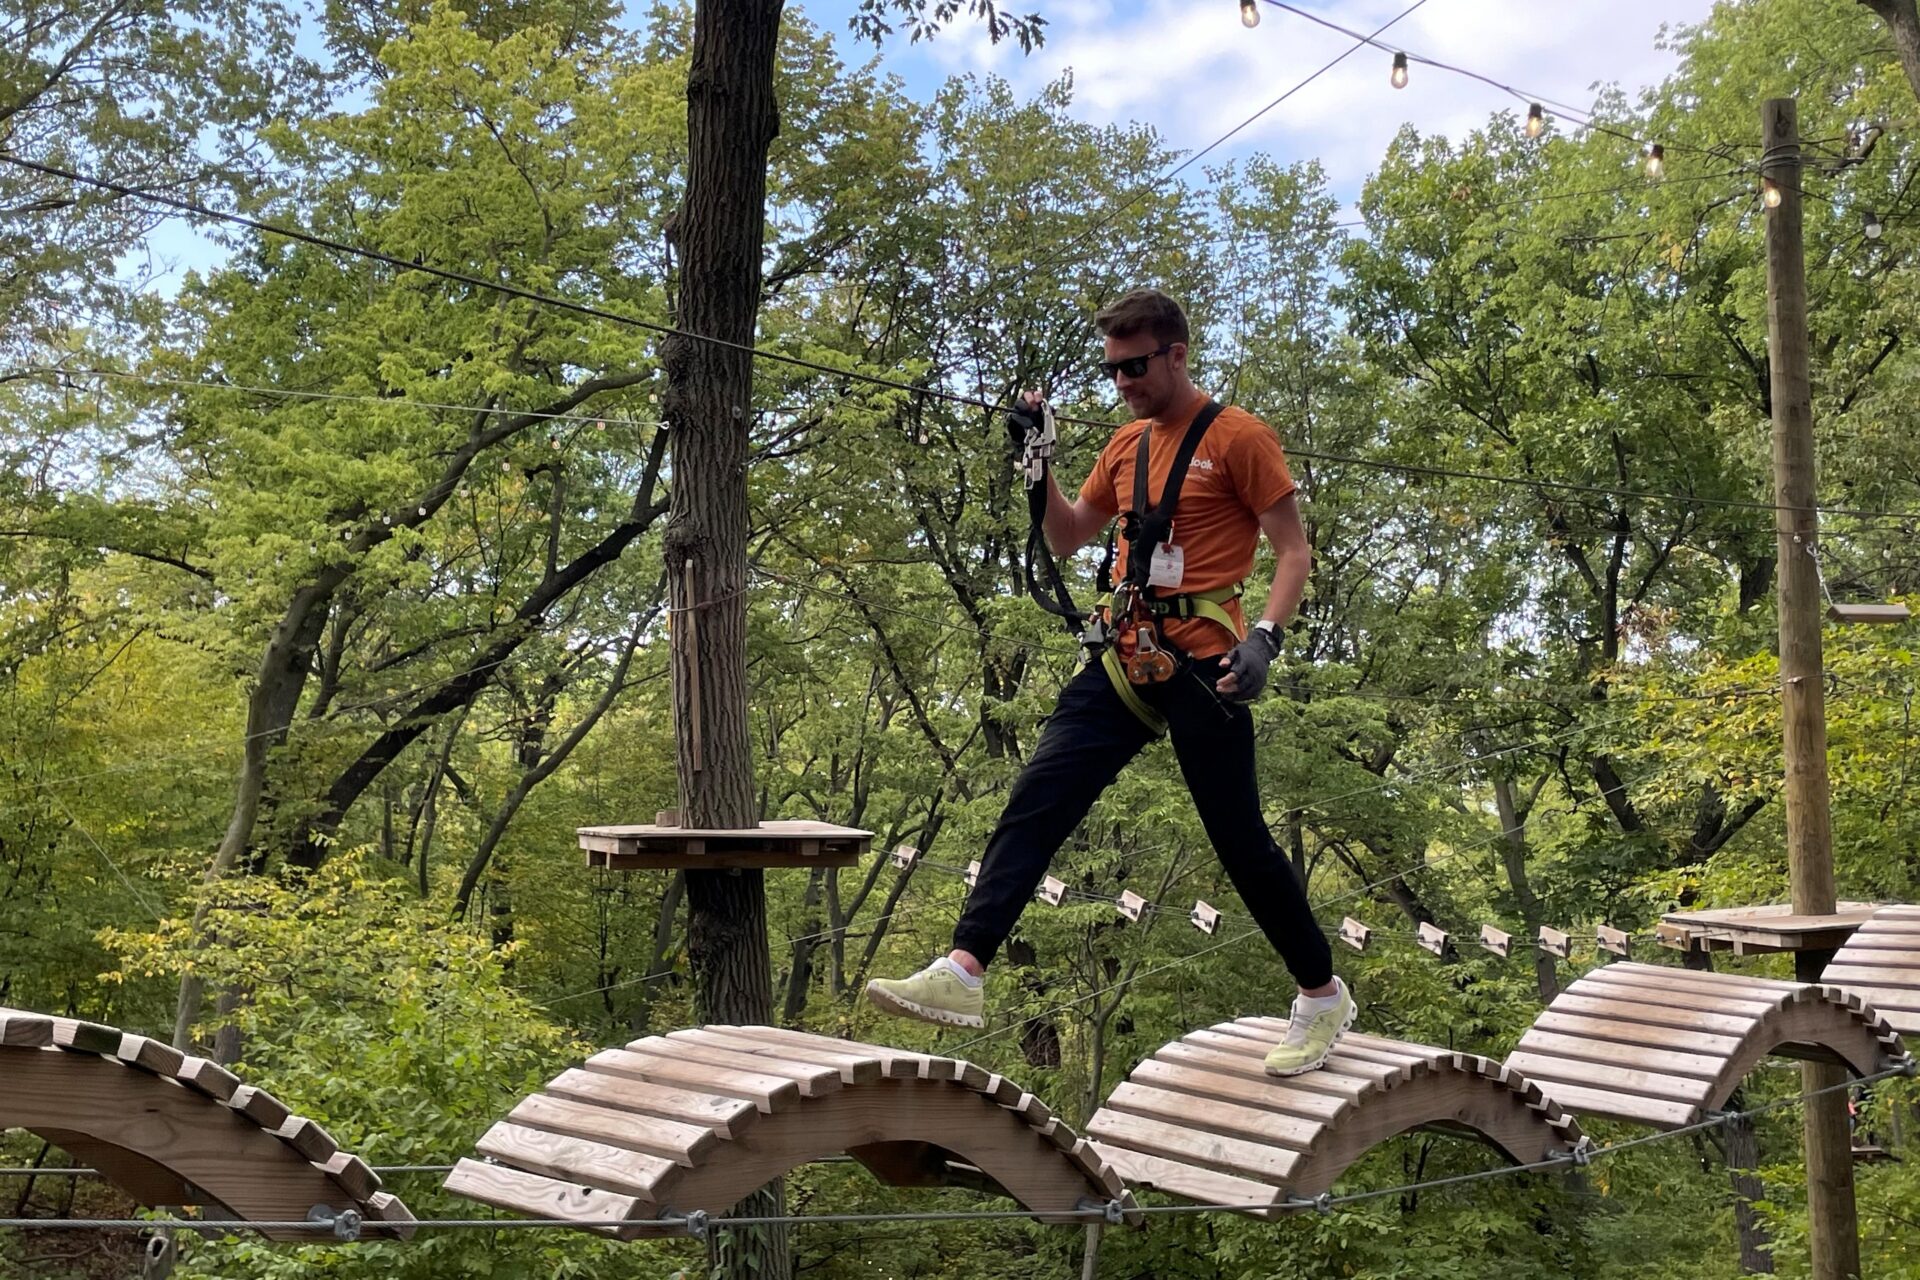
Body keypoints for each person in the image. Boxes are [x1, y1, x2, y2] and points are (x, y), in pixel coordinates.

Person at [866, 287, 1354, 1077]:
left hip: (1207, 662)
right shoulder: (1124, 447)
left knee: (1241, 844)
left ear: (1176, 354)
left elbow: (1293, 550)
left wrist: (1266, 638)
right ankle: (964, 971)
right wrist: (1035, 465)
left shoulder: (1239, 439)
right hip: (1125, 656)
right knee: (1037, 800)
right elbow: (1066, 537)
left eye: (1135, 367)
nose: (1122, 382)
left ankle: (1322, 996)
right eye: (1112, 370)